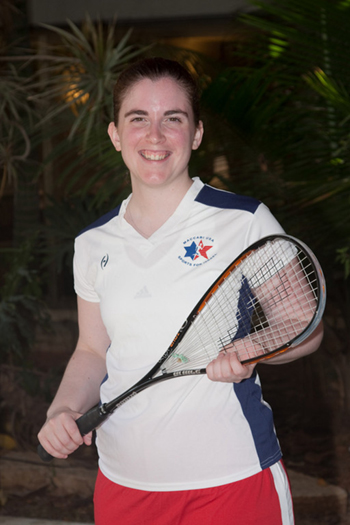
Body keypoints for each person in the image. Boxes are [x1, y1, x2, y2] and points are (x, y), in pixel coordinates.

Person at [38, 57, 324, 525]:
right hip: (124, 484)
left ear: (195, 134)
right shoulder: (92, 243)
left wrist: (253, 349)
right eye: (138, 119)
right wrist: (65, 409)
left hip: (233, 481)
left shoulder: (242, 220)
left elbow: (305, 326)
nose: (155, 135)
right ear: (114, 134)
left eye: (173, 119)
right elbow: (92, 349)